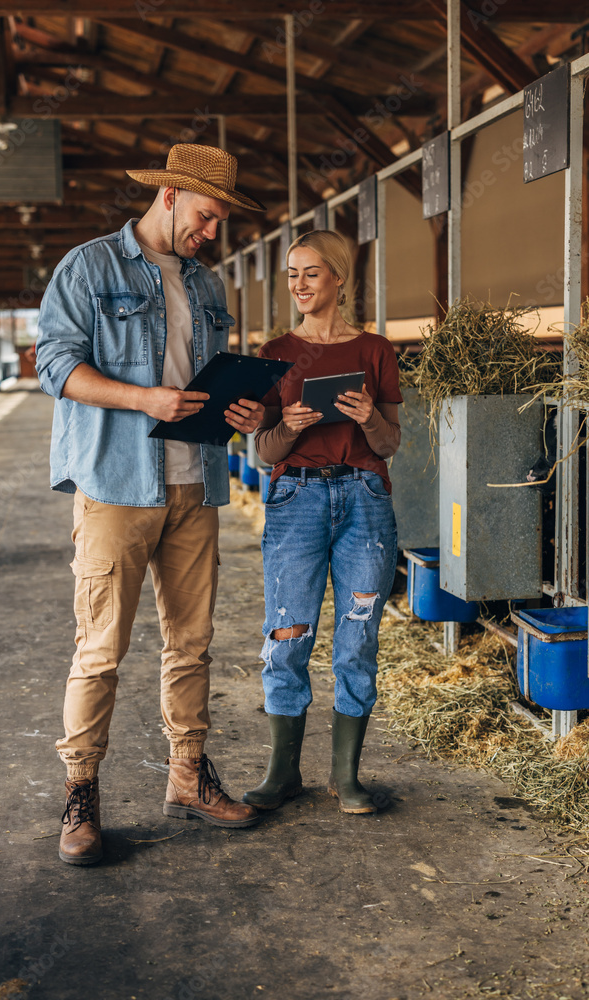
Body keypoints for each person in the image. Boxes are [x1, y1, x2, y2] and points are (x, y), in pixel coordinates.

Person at [35, 144, 266, 866]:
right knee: (101, 649)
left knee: (191, 643)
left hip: (193, 480)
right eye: (204, 216)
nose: (211, 232)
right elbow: (55, 365)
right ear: (168, 196)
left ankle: (188, 777)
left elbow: (210, 384)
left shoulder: (206, 286)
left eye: (220, 220)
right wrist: (143, 398)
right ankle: (80, 794)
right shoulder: (90, 266)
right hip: (115, 483)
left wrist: (244, 413)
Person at [243, 230, 403, 815]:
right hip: (297, 499)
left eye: (311, 273)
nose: (299, 284)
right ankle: (281, 773)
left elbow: (390, 444)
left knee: (357, 638)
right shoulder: (273, 353)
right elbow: (264, 450)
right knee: (288, 635)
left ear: (338, 277)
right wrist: (289, 425)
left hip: (363, 498)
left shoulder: (374, 350)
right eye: (291, 273)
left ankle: (346, 777)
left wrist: (366, 420)